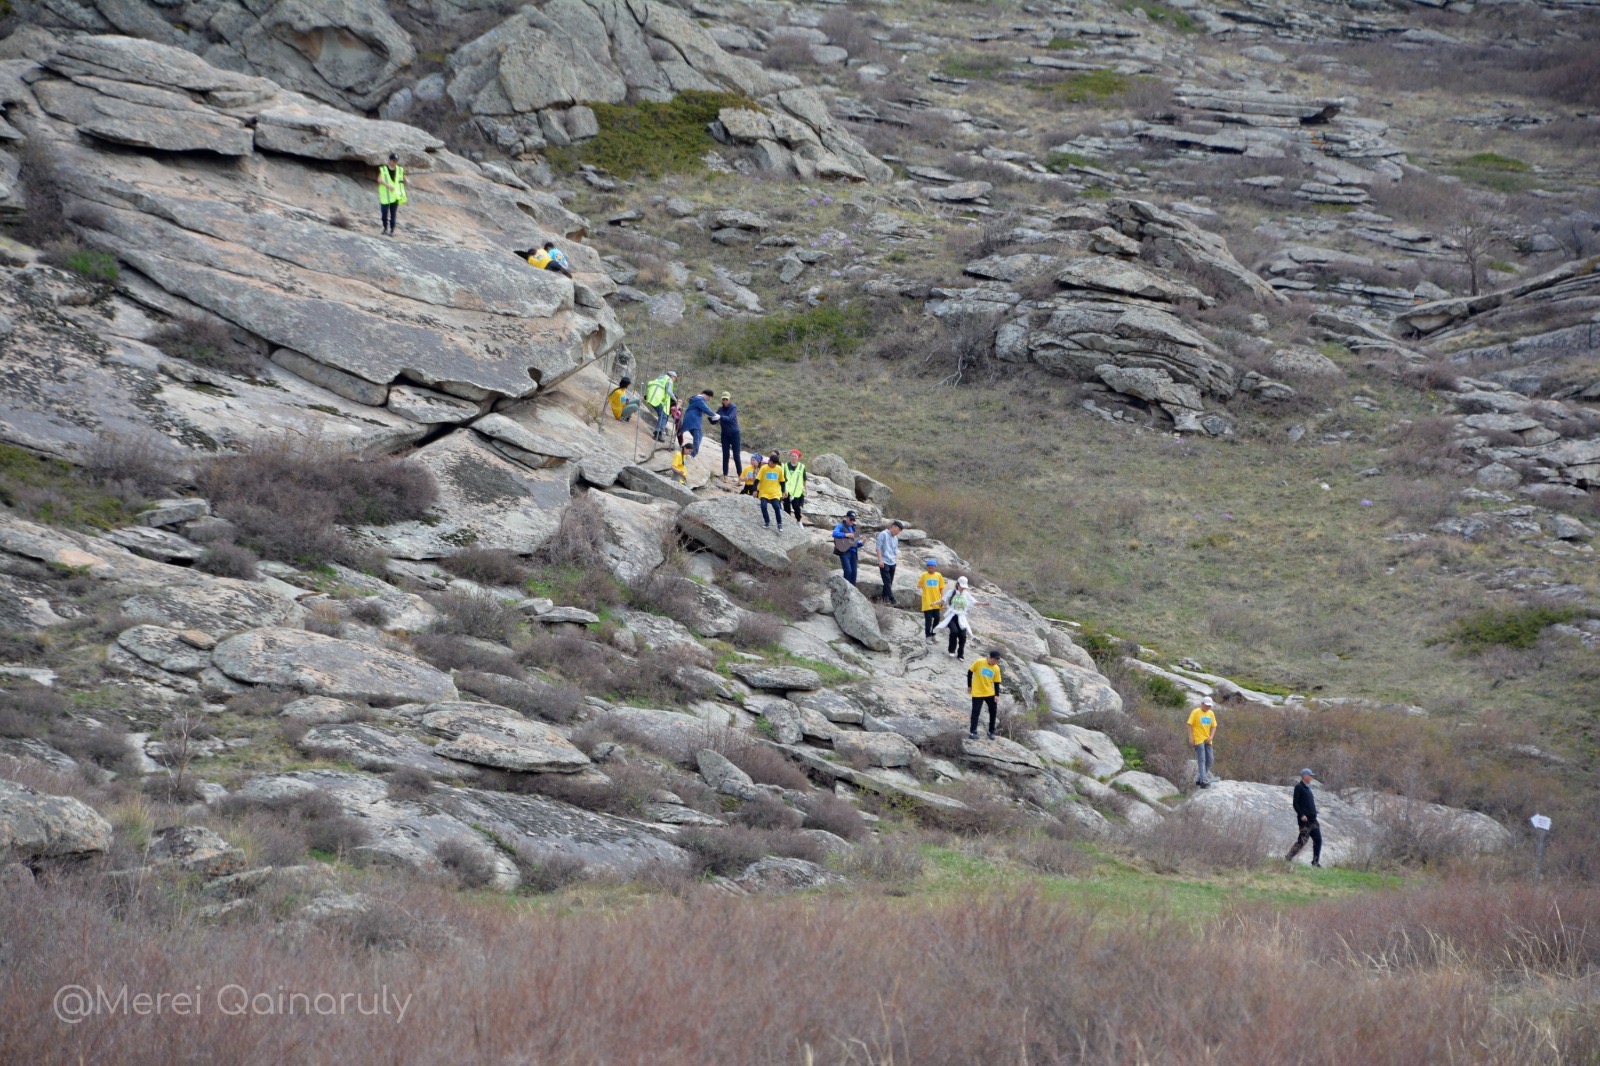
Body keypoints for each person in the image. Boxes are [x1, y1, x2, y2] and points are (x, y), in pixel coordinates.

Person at [935, 576, 988, 660]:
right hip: (952, 616)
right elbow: (942, 601)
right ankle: (951, 650)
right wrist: (934, 603)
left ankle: (960, 654)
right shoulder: (951, 592)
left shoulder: (966, 594)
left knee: (963, 636)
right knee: (954, 632)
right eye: (961, 586)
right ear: (958, 584)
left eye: (964, 587)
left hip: (961, 617)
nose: (963, 588)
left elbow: (974, 602)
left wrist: (983, 603)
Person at [1285, 769, 1323, 867]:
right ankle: (1288, 857)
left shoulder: (1308, 788)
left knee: (1318, 840)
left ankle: (1315, 863)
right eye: (1310, 775)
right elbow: (1295, 803)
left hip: (1313, 820)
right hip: (1305, 821)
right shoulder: (1299, 787)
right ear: (1305, 776)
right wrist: (1302, 815)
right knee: (1302, 841)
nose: (1312, 777)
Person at [966, 650, 1004, 740]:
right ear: (990, 658)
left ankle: (991, 731)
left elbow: (997, 682)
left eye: (997, 661)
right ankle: (973, 732)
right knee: (976, 711)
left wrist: (996, 695)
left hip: (989, 692)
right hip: (977, 692)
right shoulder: (979, 662)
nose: (996, 663)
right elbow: (970, 672)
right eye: (995, 660)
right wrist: (969, 686)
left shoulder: (996, 668)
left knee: (993, 711)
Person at [1186, 695, 1219, 789]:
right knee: (1202, 759)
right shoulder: (1196, 712)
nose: (1208, 707)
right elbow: (1189, 724)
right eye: (1206, 705)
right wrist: (1190, 738)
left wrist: (1211, 737)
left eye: (1209, 706)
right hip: (1198, 739)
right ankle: (1203, 780)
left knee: (1210, 760)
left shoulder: (1211, 713)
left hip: (1208, 739)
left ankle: (1200, 778)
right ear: (1202, 704)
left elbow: (1214, 726)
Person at [710, 392, 742, 482]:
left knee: (736, 456)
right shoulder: (720, 409)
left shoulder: (733, 408)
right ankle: (725, 475)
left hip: (735, 434)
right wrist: (711, 417)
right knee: (725, 455)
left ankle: (740, 477)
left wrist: (719, 417)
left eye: (726, 399)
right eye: (723, 399)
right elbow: (714, 421)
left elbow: (730, 418)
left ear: (729, 399)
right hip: (725, 435)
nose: (725, 401)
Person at [755, 452, 787, 530]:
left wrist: (783, 491)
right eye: (772, 463)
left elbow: (782, 482)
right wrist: (755, 490)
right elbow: (757, 480)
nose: (773, 465)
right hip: (764, 491)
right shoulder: (764, 468)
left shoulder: (779, 469)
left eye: (775, 464)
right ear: (769, 461)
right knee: (763, 506)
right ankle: (767, 522)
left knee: (776, 507)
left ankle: (779, 523)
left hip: (775, 492)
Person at [644, 371, 677, 442]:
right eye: (675, 378)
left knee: (662, 415)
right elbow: (668, 391)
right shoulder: (669, 380)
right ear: (672, 376)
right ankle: (658, 434)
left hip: (652, 398)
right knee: (663, 416)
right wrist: (675, 399)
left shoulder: (660, 379)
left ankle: (657, 432)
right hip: (657, 400)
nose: (675, 379)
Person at [875, 520, 902, 605]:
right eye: (898, 529)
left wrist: (895, 560)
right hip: (884, 561)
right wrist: (880, 560)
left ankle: (883, 600)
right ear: (893, 526)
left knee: (889, 583)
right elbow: (878, 547)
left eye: (899, 531)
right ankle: (892, 600)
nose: (898, 532)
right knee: (887, 581)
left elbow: (895, 551)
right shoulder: (883, 534)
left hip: (892, 562)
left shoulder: (896, 539)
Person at [831, 509, 862, 586]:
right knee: (848, 571)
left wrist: (862, 543)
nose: (852, 521)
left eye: (853, 520)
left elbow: (855, 543)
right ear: (846, 517)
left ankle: (853, 591)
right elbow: (834, 533)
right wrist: (846, 535)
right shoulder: (841, 525)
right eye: (851, 519)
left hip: (853, 553)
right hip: (844, 551)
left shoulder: (855, 528)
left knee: (854, 573)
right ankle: (845, 589)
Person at [378, 152, 406, 236]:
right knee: (384, 214)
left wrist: (405, 182)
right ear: (390, 160)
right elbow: (379, 180)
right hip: (385, 196)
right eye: (393, 160)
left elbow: (404, 180)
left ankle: (392, 231)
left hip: (395, 196)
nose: (395, 162)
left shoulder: (400, 170)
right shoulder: (384, 169)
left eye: (396, 161)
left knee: (393, 214)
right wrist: (388, 185)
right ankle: (385, 228)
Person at [681, 389, 715, 458]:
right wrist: (714, 415)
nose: (708, 399)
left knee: (699, 436)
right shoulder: (699, 400)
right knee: (697, 437)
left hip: (689, 419)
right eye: (709, 397)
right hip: (694, 420)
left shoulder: (696, 398)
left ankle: (688, 449)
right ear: (707, 395)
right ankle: (692, 453)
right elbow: (706, 409)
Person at [919, 558, 946, 642]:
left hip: (937, 601)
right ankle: (928, 636)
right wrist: (923, 588)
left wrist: (942, 599)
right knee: (929, 620)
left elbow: (941, 588)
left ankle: (933, 634)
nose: (931, 569)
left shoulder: (938, 575)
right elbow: (919, 585)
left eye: (932, 567)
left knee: (937, 618)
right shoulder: (924, 575)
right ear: (927, 567)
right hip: (927, 601)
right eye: (929, 567)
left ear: (935, 567)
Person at [782, 449, 808, 527]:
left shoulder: (801, 467)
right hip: (787, 490)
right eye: (792, 456)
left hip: (797, 491)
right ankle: (788, 521)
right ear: (790, 456)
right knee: (786, 507)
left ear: (798, 457)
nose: (793, 458)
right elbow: (782, 477)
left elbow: (805, 479)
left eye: (795, 456)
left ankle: (799, 521)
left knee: (796, 507)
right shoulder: (786, 466)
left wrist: (806, 489)